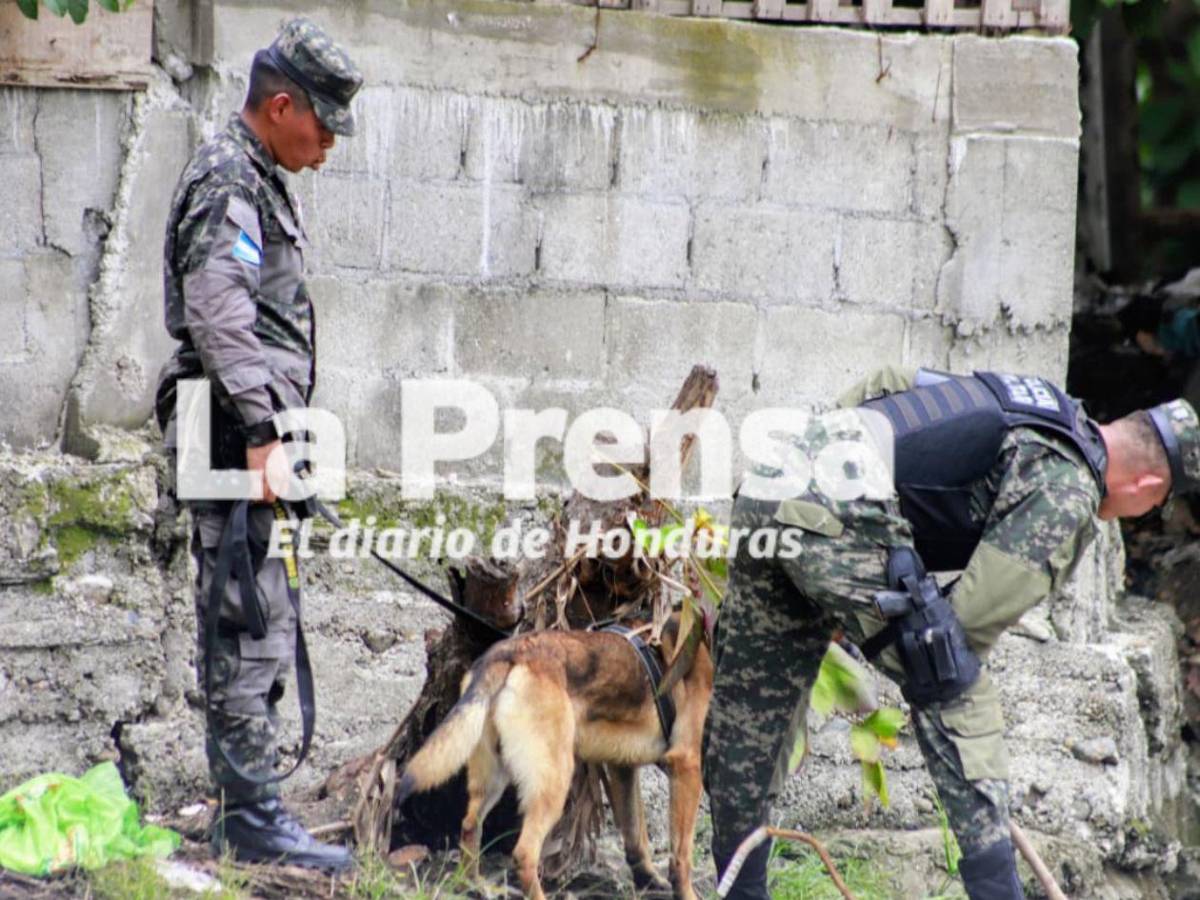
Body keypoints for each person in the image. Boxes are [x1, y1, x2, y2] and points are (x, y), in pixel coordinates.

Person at [703, 366, 1200, 900]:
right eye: (1154, 506)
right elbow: (965, 627)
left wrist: (853, 583)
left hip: (775, 477)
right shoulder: (1070, 488)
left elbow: (886, 382)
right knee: (950, 676)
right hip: (834, 513)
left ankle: (740, 890)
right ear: (1148, 485)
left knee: (751, 709)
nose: (1140, 514)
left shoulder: (1037, 402)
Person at [153, 17, 362, 871]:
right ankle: (249, 818)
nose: (328, 147)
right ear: (281, 107)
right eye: (322, 128)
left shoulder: (260, 175)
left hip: (247, 429)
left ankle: (251, 806)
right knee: (245, 616)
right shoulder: (227, 177)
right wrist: (266, 435)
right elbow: (218, 313)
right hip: (229, 429)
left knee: (263, 609)